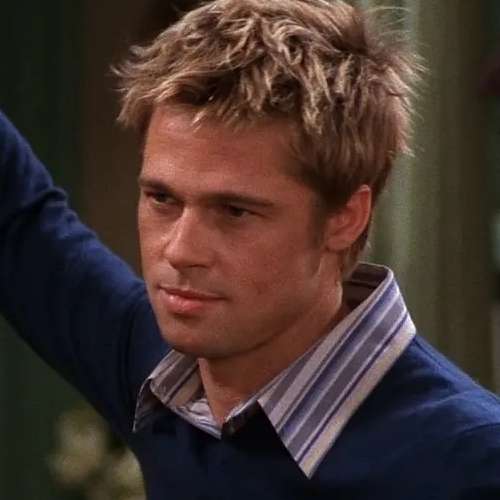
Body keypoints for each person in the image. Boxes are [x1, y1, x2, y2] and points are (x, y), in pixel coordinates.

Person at [1, 0, 500, 498]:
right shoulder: (157, 366)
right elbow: (19, 215)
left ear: (345, 218)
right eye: (162, 198)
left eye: (235, 211)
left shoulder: (469, 463)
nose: (180, 251)